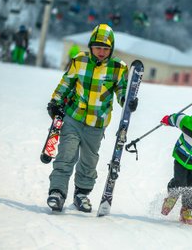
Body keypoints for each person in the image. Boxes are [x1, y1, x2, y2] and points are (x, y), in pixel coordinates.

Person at [46, 24, 138, 212]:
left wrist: (128, 101)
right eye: (98, 48)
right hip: (73, 117)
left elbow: (122, 91)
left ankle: (81, 194)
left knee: (89, 161)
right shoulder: (79, 60)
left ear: (111, 49)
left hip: (97, 124)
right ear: (90, 47)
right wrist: (55, 102)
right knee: (66, 154)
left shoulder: (118, 67)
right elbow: (66, 83)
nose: (101, 52)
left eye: (106, 49)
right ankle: (57, 192)